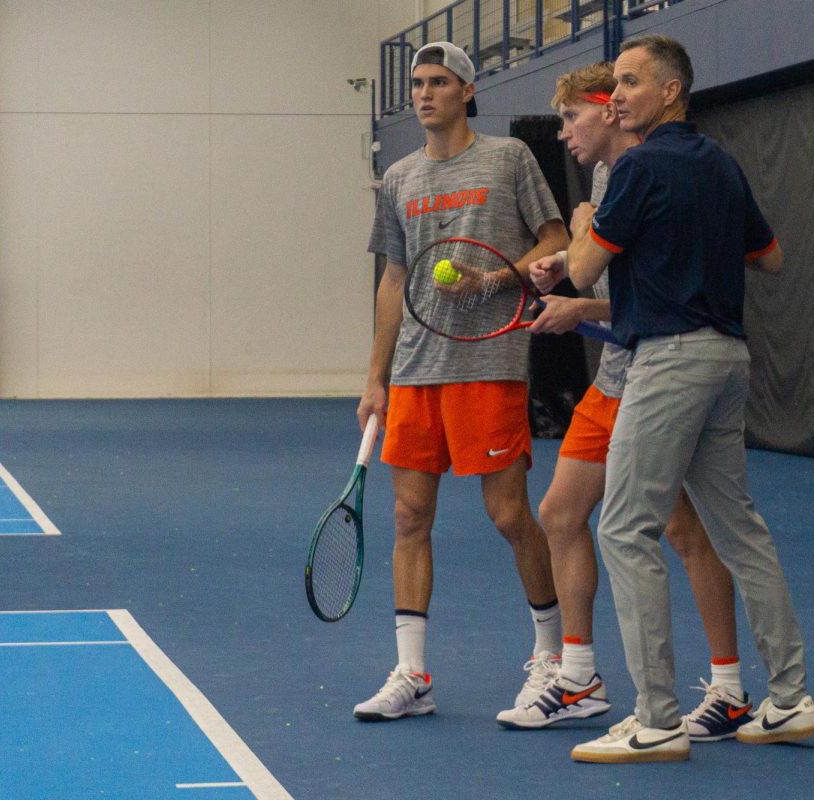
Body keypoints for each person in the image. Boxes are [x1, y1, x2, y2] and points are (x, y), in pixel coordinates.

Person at [540, 35, 814, 763]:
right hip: (729, 359)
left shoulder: (634, 167)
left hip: (668, 363)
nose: (618, 96)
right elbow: (774, 258)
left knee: (624, 529)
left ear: (670, 92)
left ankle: (657, 718)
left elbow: (581, 268)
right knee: (739, 531)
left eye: (631, 83)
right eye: (616, 87)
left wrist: (579, 224)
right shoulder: (719, 165)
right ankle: (789, 701)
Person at [495, 62, 756, 745]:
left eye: (571, 118)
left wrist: (579, 296)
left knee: (684, 532)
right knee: (559, 511)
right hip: (615, 377)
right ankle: (580, 678)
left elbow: (657, 299)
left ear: (610, 112)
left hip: (660, 377)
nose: (564, 132)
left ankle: (728, 689)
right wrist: (576, 268)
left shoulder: (649, 175)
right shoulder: (608, 181)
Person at [353, 41, 570, 722]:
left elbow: (555, 239)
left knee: (509, 516)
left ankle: (552, 658)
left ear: (467, 92)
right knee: (409, 515)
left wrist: (495, 280)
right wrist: (375, 378)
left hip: (488, 363)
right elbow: (394, 279)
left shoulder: (508, 159)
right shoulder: (399, 177)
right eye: (417, 83)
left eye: (439, 82)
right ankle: (412, 674)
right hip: (417, 372)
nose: (424, 94)